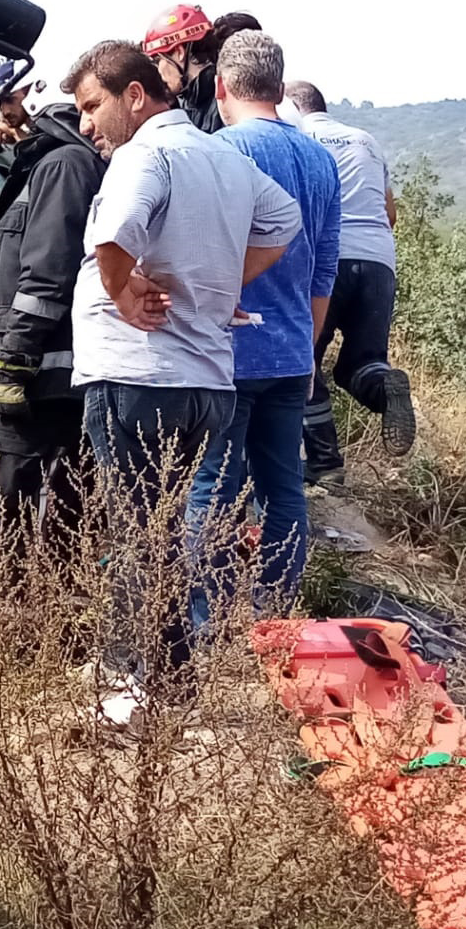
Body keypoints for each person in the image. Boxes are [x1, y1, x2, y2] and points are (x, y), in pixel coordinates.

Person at [65, 40, 301, 670]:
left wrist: (122, 288)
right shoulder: (219, 156)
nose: (86, 124)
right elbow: (285, 220)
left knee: (136, 536)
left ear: (134, 95)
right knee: (161, 536)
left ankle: (126, 683)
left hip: (138, 372)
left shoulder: (149, 153)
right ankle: (169, 678)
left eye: (92, 106)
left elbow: (115, 236)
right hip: (206, 383)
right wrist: (217, 282)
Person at [187, 33, 341, 617]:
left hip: (224, 351)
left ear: (221, 87)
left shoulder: (217, 151)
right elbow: (324, 268)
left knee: (214, 490)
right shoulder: (320, 159)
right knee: (285, 490)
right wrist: (308, 349)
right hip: (290, 352)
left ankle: (211, 620)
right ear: (279, 88)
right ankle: (273, 614)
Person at [0, 75, 106, 536]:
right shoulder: (51, 161)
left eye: (9, 99)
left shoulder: (63, 165)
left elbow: (46, 275)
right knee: (54, 495)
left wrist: (13, 361)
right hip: (43, 368)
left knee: (4, 496)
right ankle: (36, 598)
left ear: (37, 100)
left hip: (38, 373)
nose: (3, 111)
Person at [284, 79, 415, 479]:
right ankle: (385, 384)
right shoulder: (367, 141)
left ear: (291, 106)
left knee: (303, 361)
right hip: (379, 261)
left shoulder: (298, 136)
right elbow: (390, 214)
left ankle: (325, 465)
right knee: (361, 363)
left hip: (330, 259)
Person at [142, 6, 262, 134]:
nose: (158, 70)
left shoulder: (229, 101)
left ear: (179, 52)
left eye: (158, 60)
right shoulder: (180, 104)